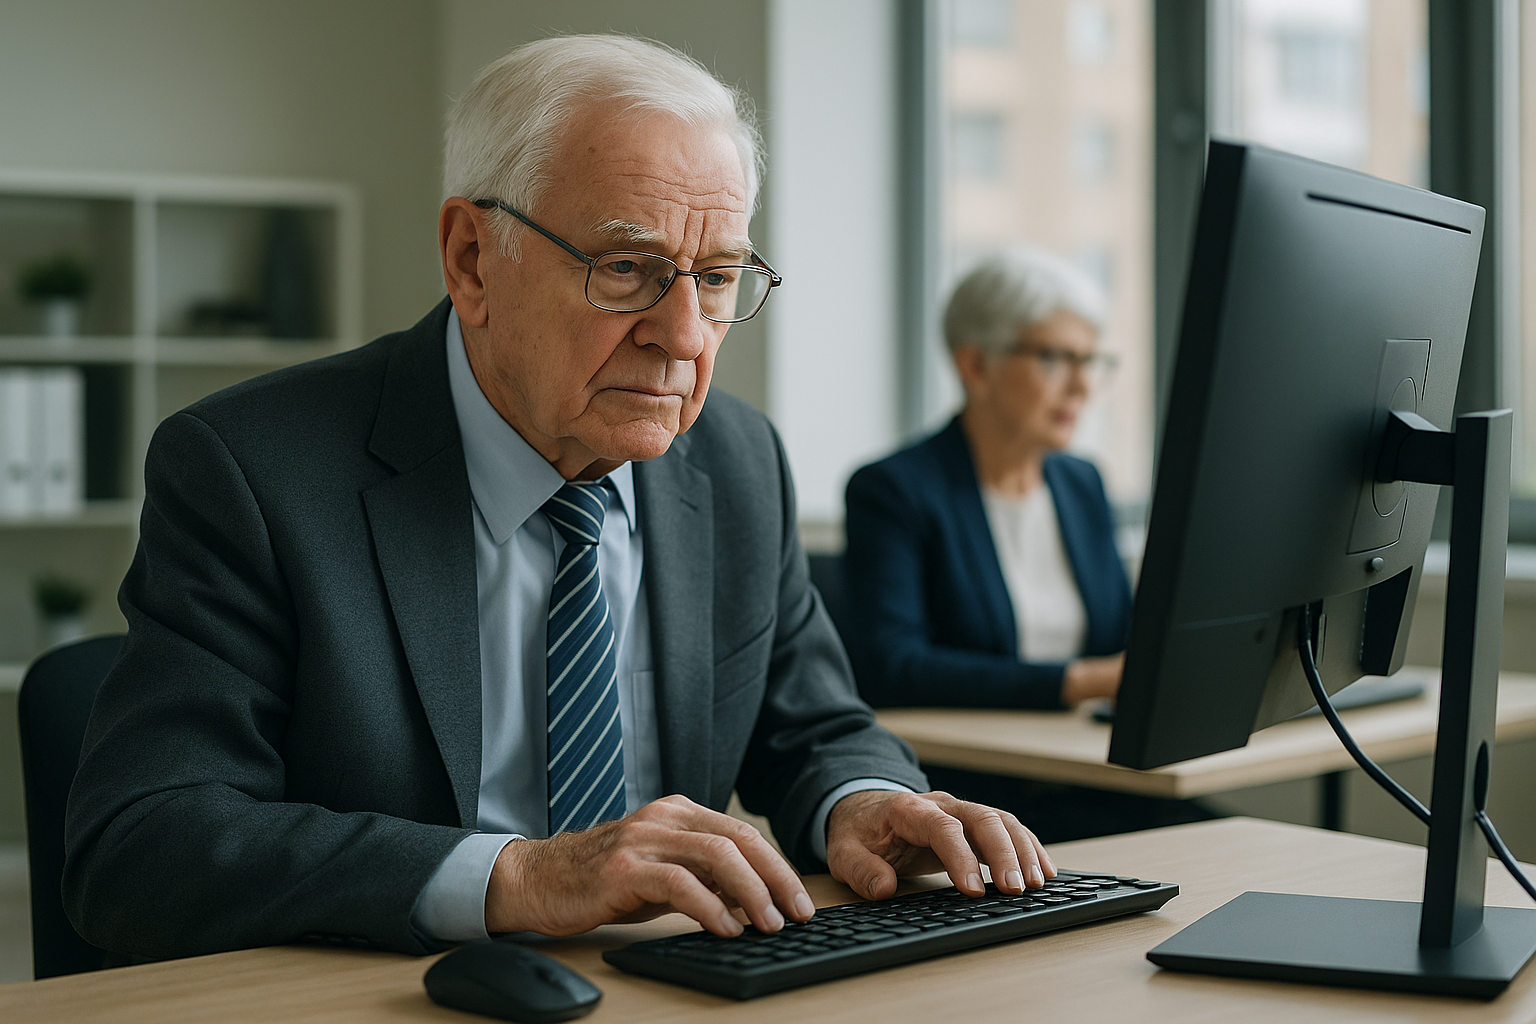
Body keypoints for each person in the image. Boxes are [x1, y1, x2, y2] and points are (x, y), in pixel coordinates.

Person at [61, 35, 1056, 961]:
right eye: (627, 269)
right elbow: (142, 844)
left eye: (714, 278)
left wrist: (862, 798)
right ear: (471, 260)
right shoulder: (251, 470)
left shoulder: (738, 463)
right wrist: (522, 878)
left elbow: (812, 727)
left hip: (669, 988)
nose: (683, 334)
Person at [844, 248, 1131, 713]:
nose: (1082, 386)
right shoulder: (894, 490)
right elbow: (894, 667)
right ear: (975, 366)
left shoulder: (1083, 484)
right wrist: (1080, 682)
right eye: (1055, 359)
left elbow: (1126, 638)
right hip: (971, 772)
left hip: (1088, 758)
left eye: (1090, 361)